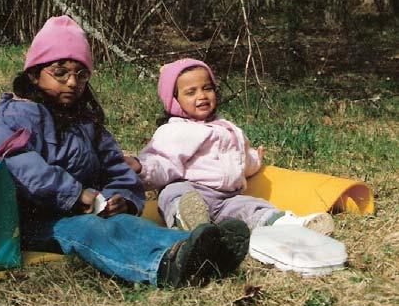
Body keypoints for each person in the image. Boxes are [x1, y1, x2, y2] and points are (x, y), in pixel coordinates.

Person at [0, 16, 250, 288]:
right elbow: (13, 160)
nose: (72, 82)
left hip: (84, 211)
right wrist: (73, 195)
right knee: (91, 230)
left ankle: (198, 250)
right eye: (60, 73)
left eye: (81, 75)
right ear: (34, 75)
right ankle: (162, 266)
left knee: (128, 224)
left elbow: (116, 167)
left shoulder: (86, 123)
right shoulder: (19, 114)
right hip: (30, 222)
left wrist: (124, 200)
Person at [124, 58, 334, 235]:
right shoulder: (175, 131)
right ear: (174, 100)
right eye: (191, 92)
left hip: (226, 198)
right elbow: (161, 161)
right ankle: (186, 220)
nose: (202, 96)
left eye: (207, 88)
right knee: (173, 193)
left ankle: (289, 224)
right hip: (191, 189)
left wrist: (254, 160)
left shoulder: (226, 127)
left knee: (251, 207)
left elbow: (237, 161)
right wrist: (142, 168)